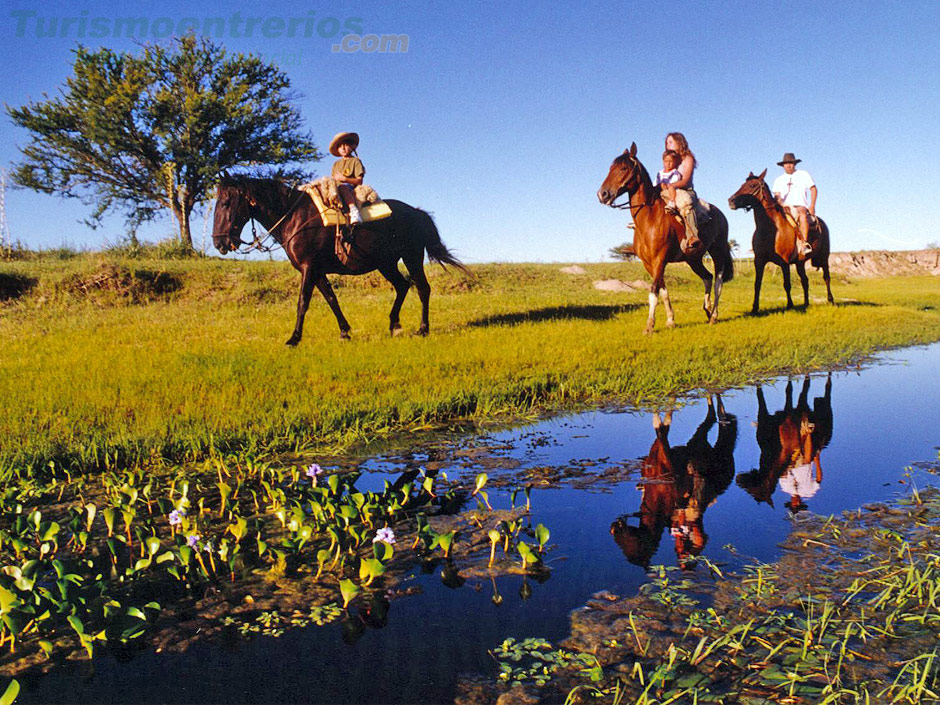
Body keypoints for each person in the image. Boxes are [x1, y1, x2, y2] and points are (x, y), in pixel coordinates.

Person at [772, 153, 817, 257]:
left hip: (799, 204)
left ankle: (804, 244)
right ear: (783, 165)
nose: (788, 165)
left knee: (802, 213)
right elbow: (777, 195)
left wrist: (812, 206)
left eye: (791, 163)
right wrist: (780, 202)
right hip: (784, 206)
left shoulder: (803, 174)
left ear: (794, 164)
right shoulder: (778, 180)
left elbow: (813, 189)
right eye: (786, 163)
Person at [662, 132, 700, 253]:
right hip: (670, 190)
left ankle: (692, 235)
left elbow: (685, 180)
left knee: (686, 203)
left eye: (671, 142)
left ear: (680, 142)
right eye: (667, 142)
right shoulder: (670, 160)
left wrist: (671, 185)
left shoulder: (688, 159)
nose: (668, 145)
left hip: (685, 190)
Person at [329, 131, 365, 224]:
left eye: (346, 145)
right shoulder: (336, 164)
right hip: (336, 187)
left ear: (351, 147)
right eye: (340, 146)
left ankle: (353, 210)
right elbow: (333, 178)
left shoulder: (355, 161)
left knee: (343, 187)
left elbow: (359, 181)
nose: (343, 148)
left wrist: (345, 179)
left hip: (349, 187)